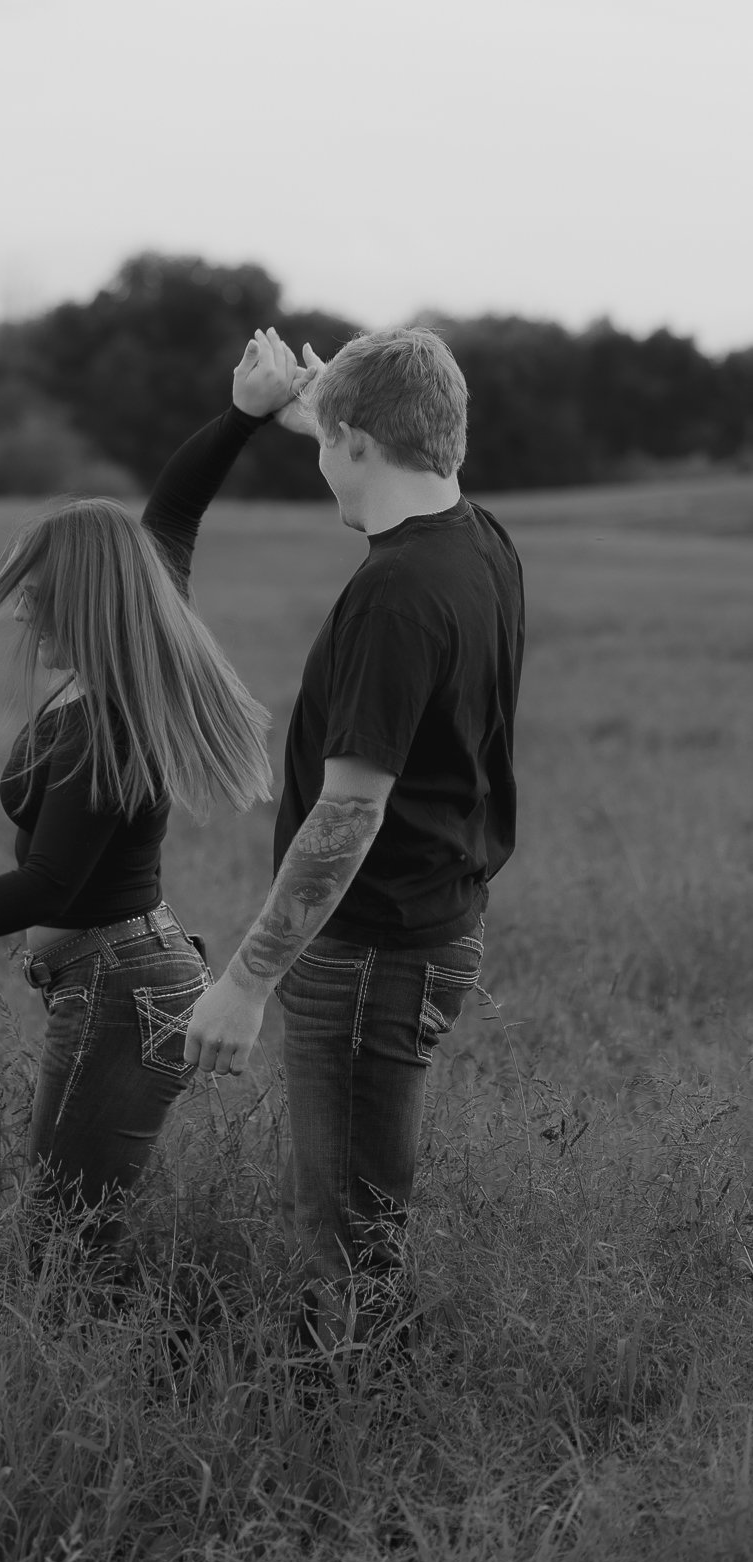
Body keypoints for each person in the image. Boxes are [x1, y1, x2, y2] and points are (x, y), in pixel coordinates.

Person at [0, 331, 300, 1269]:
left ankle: (134, 1385)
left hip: (121, 987)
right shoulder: (130, 660)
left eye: (36, 595)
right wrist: (241, 416)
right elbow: (173, 515)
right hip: (125, 975)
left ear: (84, 599)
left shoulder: (102, 724)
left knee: (63, 1247)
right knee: (70, 1230)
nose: (20, 611)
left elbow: (47, 886)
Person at [184, 326, 526, 1345]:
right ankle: (355, 1416)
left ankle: (349, 1456)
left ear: (360, 443)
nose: (320, 456)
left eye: (328, 439)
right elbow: (374, 432)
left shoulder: (393, 597)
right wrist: (302, 406)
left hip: (374, 951)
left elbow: (348, 812)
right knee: (356, 1221)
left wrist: (243, 982)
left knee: (344, 1238)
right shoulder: (479, 537)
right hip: (431, 924)